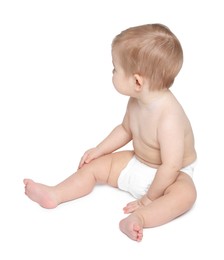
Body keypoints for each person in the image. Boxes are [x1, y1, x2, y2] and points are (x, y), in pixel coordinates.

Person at [24, 23, 197, 242]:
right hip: (139, 160)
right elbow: (125, 129)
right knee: (95, 166)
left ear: (137, 81)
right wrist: (99, 150)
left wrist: (149, 198)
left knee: (186, 195)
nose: (112, 72)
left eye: (115, 68)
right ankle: (55, 193)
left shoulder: (169, 117)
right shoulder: (136, 101)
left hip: (171, 176)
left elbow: (171, 165)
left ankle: (139, 218)